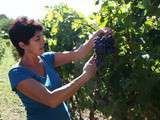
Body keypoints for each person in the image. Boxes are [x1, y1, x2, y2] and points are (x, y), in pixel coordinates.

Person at [8, 16, 106, 120]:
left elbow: (78, 53)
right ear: (22, 45)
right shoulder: (17, 73)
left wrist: (98, 35)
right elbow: (51, 100)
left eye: (42, 36)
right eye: (37, 39)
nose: (43, 41)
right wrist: (85, 76)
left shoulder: (47, 58)